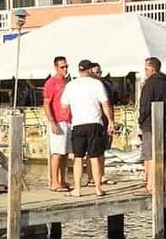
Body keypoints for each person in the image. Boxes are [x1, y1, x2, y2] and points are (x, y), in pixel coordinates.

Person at [60, 59, 114, 197]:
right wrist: (110, 121)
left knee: (78, 158)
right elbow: (105, 104)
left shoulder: (71, 85)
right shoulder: (97, 84)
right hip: (94, 122)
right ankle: (97, 188)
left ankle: (77, 189)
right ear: (90, 70)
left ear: (79, 70)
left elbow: (64, 106)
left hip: (78, 124)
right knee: (94, 157)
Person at [139, 56, 166, 194]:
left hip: (150, 123)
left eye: (146, 68)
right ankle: (165, 183)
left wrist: (141, 120)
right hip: (164, 122)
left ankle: (151, 185)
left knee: (151, 155)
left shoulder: (150, 84)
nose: (145, 71)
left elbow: (145, 105)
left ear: (152, 69)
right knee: (164, 154)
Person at [42, 55, 72, 192]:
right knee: (57, 153)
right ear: (56, 67)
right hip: (58, 120)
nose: (65, 69)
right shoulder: (51, 83)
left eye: (66, 66)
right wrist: (52, 121)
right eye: (62, 67)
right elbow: (47, 103)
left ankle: (62, 179)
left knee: (65, 152)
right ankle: (54, 181)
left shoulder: (67, 82)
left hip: (68, 120)